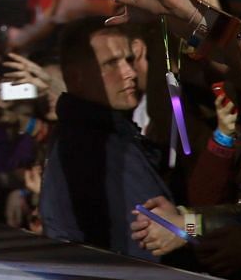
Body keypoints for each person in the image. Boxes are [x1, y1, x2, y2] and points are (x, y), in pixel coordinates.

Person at [36, 15, 164, 261]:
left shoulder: (106, 135)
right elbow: (147, 238)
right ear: (77, 78)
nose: (130, 73)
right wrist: (191, 229)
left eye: (129, 60)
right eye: (111, 64)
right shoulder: (95, 147)